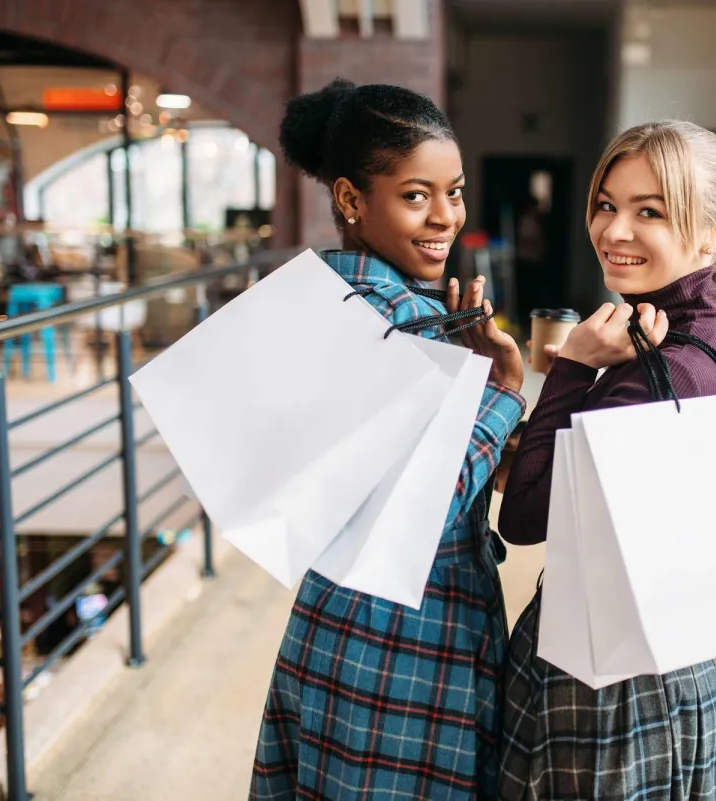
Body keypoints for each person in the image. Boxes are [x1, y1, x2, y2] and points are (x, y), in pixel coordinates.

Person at [250, 79, 526, 800]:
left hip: (334, 621)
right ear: (350, 199)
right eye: (415, 196)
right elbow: (420, 507)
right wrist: (504, 393)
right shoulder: (395, 323)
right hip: (406, 643)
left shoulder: (321, 300)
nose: (445, 217)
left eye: (454, 192)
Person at [495, 120, 716, 800]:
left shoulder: (665, 370)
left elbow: (527, 517)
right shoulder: (703, 333)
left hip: (607, 681)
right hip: (659, 656)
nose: (614, 230)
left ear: (714, 231)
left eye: (649, 211)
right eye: (606, 204)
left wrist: (573, 369)